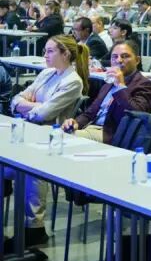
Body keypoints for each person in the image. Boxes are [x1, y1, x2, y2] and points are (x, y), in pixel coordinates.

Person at [4, 35, 88, 250]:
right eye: (45, 51)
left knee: (29, 167)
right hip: (31, 130)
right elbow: (16, 99)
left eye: (50, 51)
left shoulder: (72, 81)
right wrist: (32, 105)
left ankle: (34, 228)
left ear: (65, 54)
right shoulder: (46, 73)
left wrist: (29, 106)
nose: (45, 55)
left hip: (52, 138)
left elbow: (44, 114)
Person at [62, 39, 151, 143]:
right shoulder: (108, 83)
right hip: (90, 127)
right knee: (60, 132)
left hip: (113, 134)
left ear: (137, 60)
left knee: (63, 137)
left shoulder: (145, 85)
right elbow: (90, 113)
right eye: (114, 56)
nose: (119, 60)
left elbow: (137, 114)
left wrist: (120, 86)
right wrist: (75, 122)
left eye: (125, 56)